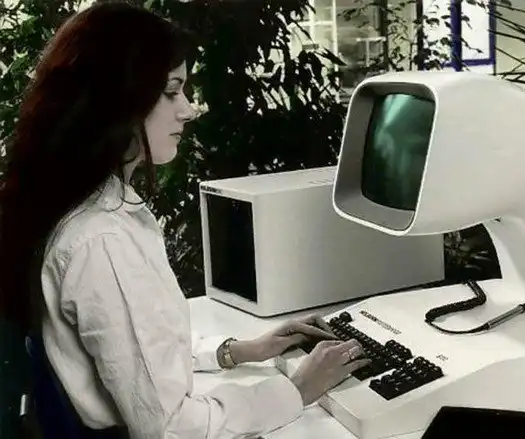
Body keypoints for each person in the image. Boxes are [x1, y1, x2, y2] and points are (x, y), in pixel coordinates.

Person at [0, 2, 370, 438]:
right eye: (172, 91)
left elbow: (132, 354)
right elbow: (171, 427)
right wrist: (296, 389)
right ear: (117, 98)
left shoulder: (79, 207)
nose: (189, 110)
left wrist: (238, 350)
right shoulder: (100, 239)